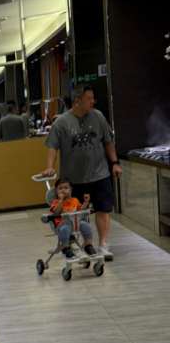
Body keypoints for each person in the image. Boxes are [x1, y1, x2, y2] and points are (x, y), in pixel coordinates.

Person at [38, 86, 121, 259]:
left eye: (93, 98)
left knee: (103, 210)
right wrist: (49, 166)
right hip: (74, 179)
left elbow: (108, 141)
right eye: (89, 98)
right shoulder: (61, 122)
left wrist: (114, 163)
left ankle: (103, 245)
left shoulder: (98, 116)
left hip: (100, 174)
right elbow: (52, 147)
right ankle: (78, 245)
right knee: (74, 215)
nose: (93, 101)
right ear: (77, 101)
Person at [48, 179, 96, 258]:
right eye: (60, 188)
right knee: (65, 229)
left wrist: (86, 202)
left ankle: (88, 245)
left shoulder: (75, 200)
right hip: (62, 225)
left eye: (66, 188)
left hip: (75, 223)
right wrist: (61, 200)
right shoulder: (56, 202)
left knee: (86, 225)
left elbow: (81, 211)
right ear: (56, 191)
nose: (63, 190)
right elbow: (56, 212)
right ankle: (65, 247)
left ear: (71, 190)